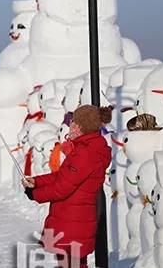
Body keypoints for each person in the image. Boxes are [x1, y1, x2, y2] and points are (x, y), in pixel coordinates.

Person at [23, 105, 112, 268]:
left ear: (80, 127)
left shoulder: (85, 153)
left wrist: (35, 194)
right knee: (73, 262)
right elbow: (63, 176)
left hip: (73, 218)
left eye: (73, 122)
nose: (70, 126)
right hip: (75, 217)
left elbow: (62, 187)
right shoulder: (86, 149)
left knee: (71, 263)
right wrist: (37, 182)